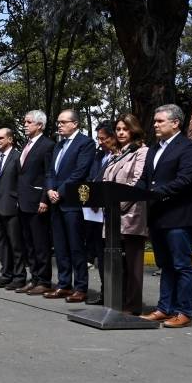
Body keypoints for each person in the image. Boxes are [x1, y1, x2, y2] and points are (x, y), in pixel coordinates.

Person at [140, 103, 192, 328]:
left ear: (175, 123)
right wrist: (134, 192)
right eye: (155, 121)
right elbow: (146, 179)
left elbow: (185, 180)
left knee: (181, 265)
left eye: (160, 121)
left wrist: (155, 193)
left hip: (179, 215)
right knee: (165, 265)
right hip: (158, 216)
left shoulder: (189, 148)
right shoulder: (154, 149)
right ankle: (164, 308)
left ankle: (184, 311)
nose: (155, 124)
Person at [44, 109, 95, 302]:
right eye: (58, 122)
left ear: (75, 124)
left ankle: (80, 287)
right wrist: (50, 190)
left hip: (72, 203)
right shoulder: (58, 146)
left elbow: (80, 172)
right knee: (60, 247)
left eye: (63, 122)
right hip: (56, 202)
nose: (59, 125)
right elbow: (50, 172)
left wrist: (60, 191)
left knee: (76, 247)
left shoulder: (86, 143)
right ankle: (64, 285)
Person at [101, 114, 149, 315]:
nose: (121, 132)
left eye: (125, 129)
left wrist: (118, 206)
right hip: (113, 215)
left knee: (132, 263)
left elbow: (136, 182)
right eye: (118, 129)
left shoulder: (142, 151)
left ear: (134, 130)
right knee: (116, 262)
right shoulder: (117, 153)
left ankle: (132, 305)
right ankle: (116, 301)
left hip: (131, 213)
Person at [16, 110, 55, 295]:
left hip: (38, 202)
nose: (25, 124)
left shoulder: (47, 145)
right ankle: (35, 278)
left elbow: (48, 173)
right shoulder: (26, 145)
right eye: (24, 121)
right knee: (29, 244)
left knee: (40, 244)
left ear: (39, 125)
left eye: (28, 121)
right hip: (23, 202)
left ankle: (45, 280)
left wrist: (44, 199)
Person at [83, 121, 119, 304]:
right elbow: (91, 178)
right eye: (98, 139)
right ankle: (105, 293)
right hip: (94, 215)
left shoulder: (119, 156)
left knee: (112, 255)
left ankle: (116, 295)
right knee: (100, 255)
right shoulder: (98, 156)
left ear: (114, 137)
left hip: (112, 214)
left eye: (103, 139)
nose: (100, 142)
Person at [0, 128, 25, 288]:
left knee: (15, 243)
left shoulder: (18, 157)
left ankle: (19, 276)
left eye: (0, 138)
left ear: (10, 139)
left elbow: (22, 182)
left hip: (11, 206)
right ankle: (6, 274)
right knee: (0, 242)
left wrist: (18, 202)